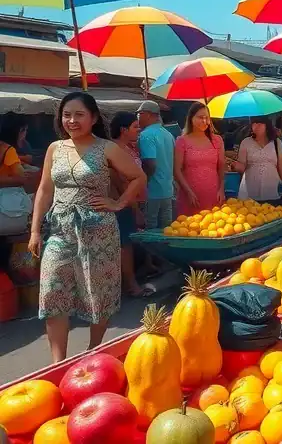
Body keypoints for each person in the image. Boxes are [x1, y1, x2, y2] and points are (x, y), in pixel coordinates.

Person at [30, 92, 146, 363]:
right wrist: (35, 230)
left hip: (99, 230)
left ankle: (93, 350)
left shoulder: (106, 148)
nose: (72, 120)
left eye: (79, 114)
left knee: (99, 291)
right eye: (67, 114)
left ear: (93, 118)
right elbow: (45, 189)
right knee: (52, 292)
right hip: (60, 230)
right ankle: (57, 363)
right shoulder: (55, 149)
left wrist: (118, 203)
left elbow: (137, 177)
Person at [108, 112, 153, 298]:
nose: (139, 130)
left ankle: (128, 282)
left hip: (131, 202)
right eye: (135, 127)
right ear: (123, 130)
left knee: (127, 244)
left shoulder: (129, 148)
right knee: (124, 246)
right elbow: (121, 183)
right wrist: (134, 208)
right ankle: (131, 285)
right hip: (123, 204)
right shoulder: (115, 151)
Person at [173, 102, 225, 216]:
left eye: (207, 118)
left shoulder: (217, 140)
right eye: (200, 117)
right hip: (190, 198)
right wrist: (188, 192)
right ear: (191, 118)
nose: (204, 121)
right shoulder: (182, 141)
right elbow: (177, 170)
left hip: (213, 195)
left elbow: (221, 166)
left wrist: (221, 189)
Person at [136, 101, 175, 230]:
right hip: (168, 191)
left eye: (139, 114)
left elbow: (150, 164)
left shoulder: (146, 135)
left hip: (152, 192)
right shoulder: (168, 134)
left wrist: (142, 181)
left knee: (150, 230)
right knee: (167, 229)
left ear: (148, 115)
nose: (138, 118)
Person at [232, 116, 282, 203]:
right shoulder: (246, 142)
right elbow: (241, 167)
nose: (256, 126)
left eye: (259, 123)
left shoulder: (276, 143)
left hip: (272, 193)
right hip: (250, 196)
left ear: (267, 125)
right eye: (254, 123)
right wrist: (234, 165)